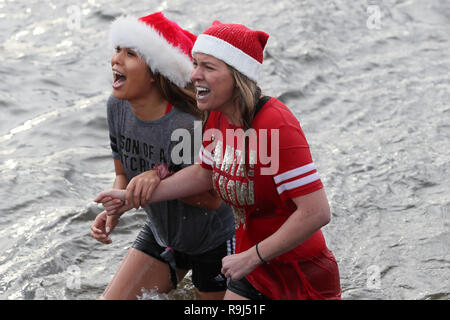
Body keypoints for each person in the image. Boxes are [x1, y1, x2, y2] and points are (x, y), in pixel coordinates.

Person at [96, 20, 341, 300]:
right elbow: (204, 173)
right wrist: (133, 196)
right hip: (250, 269)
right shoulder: (217, 114)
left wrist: (253, 256)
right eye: (196, 63)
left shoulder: (274, 124)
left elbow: (316, 212)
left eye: (207, 67)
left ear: (237, 77)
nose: (194, 74)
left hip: (298, 274)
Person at [90, 13, 235, 300]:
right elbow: (123, 173)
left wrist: (159, 176)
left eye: (130, 53)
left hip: (215, 240)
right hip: (164, 235)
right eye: (117, 49)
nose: (116, 59)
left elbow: (211, 199)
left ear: (156, 73)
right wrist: (117, 203)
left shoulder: (186, 124)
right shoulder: (116, 108)